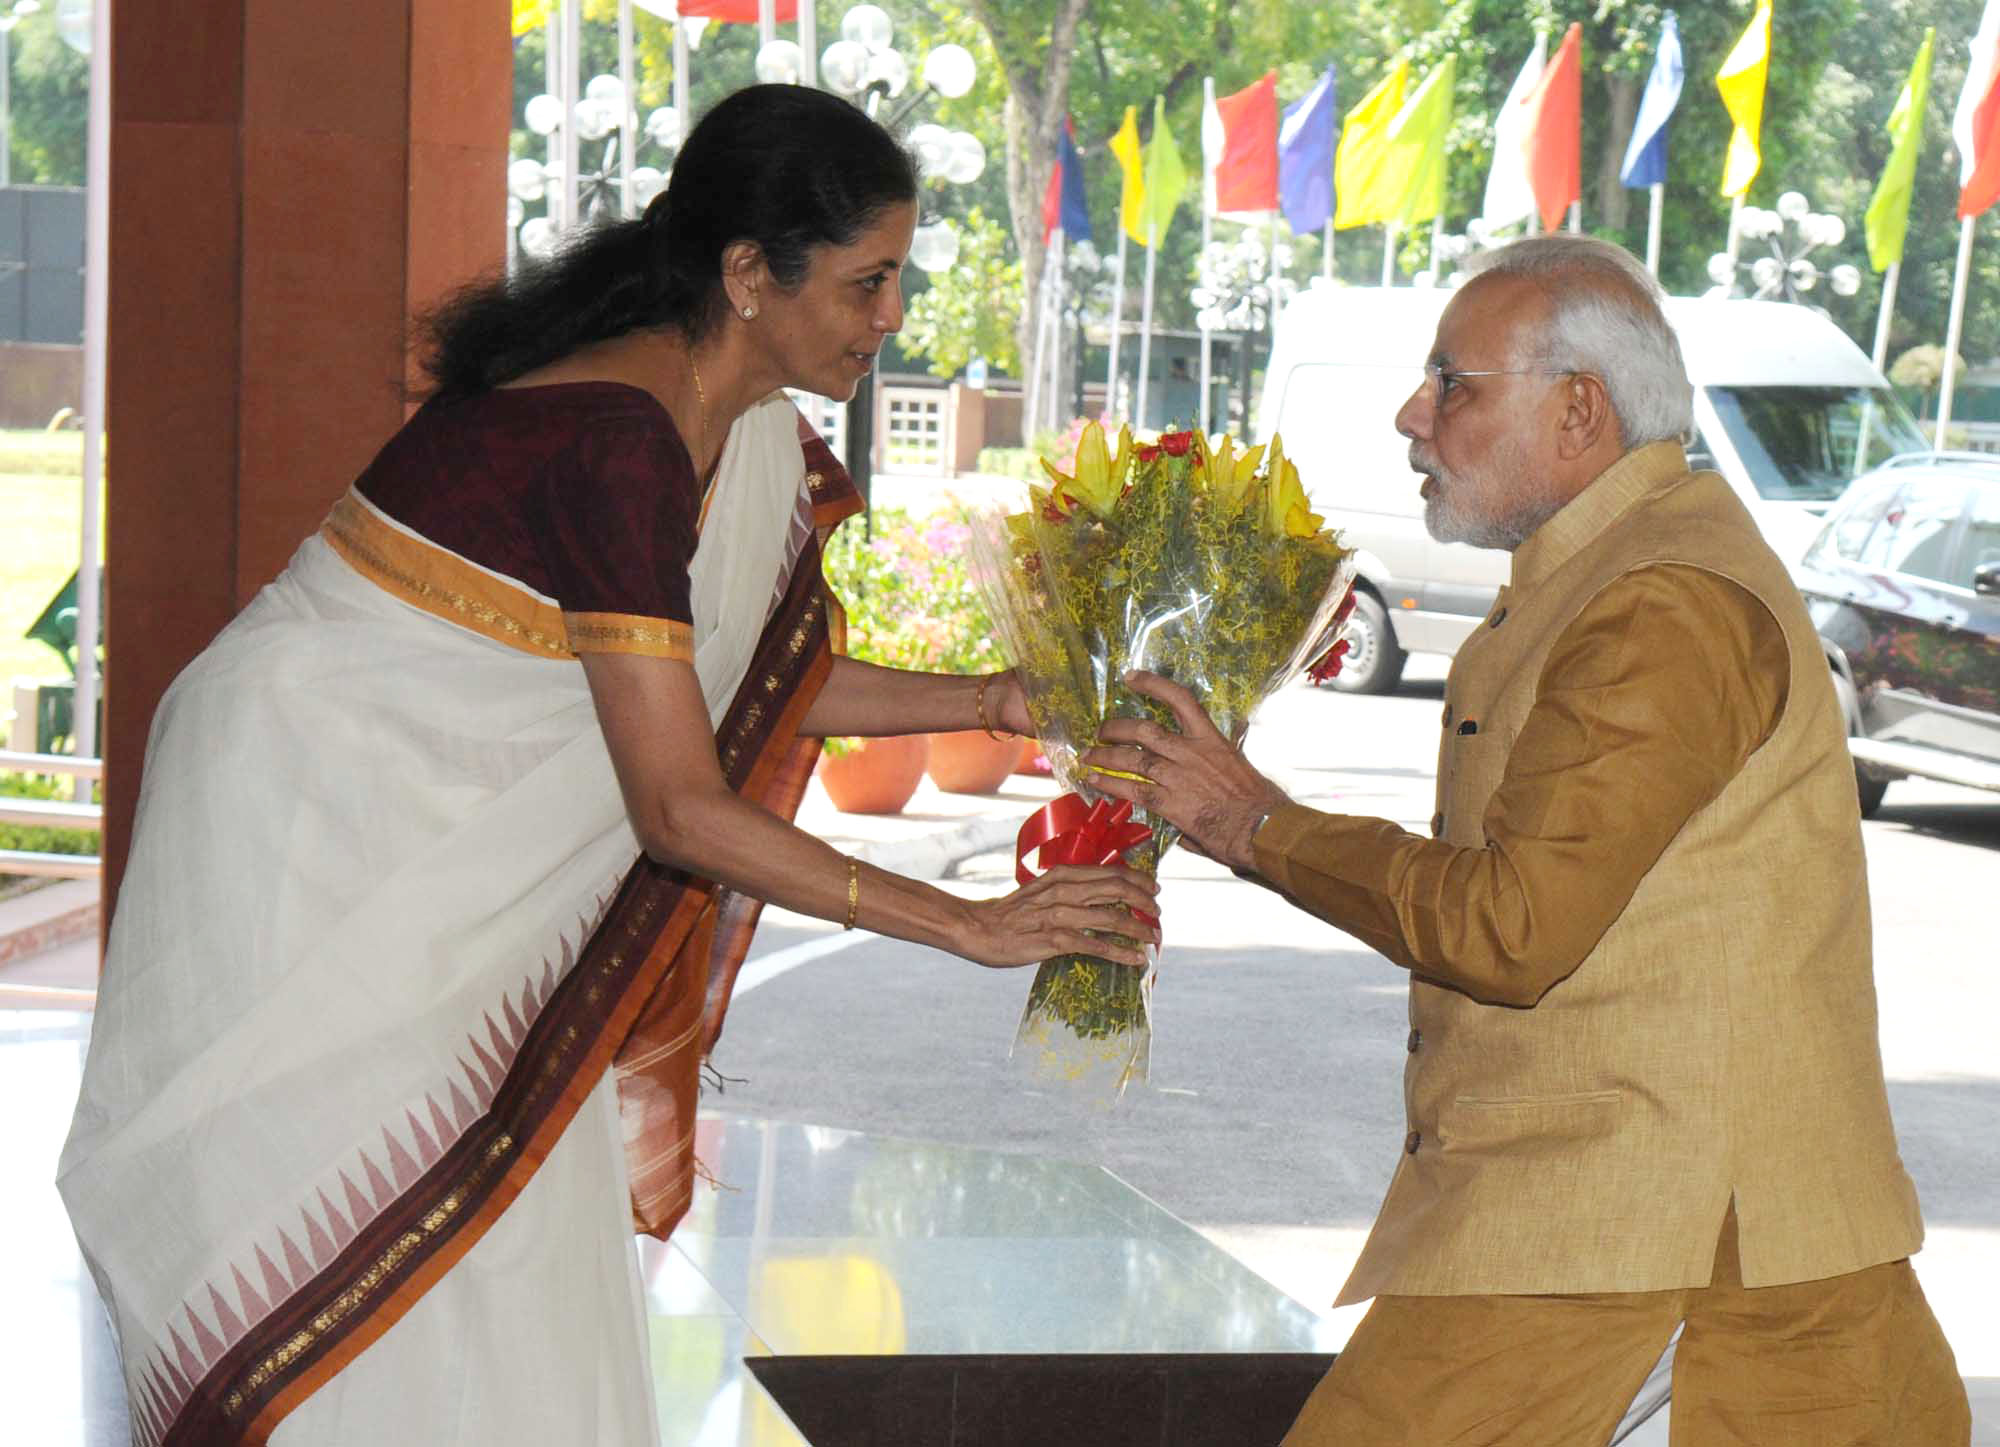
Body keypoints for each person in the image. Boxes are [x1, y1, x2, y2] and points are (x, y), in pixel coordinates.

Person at [59, 85, 1157, 1447]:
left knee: (515, 1213)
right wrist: (965, 922)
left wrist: (997, 697)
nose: (891, 317)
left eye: (897, 280)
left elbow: (748, 683)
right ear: (748, 273)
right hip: (317, 832)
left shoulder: (741, 428)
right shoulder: (617, 439)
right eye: (866, 282)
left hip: (432, 852)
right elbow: (680, 803)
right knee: (354, 1221)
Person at [1083, 235, 1970, 1445]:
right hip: (1674, 1222)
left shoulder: (1659, 603)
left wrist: (1252, 822)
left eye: (1450, 383)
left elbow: (1510, 924)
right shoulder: (1612, 569)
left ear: (1577, 411)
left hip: (1630, 1216)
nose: (1411, 416)